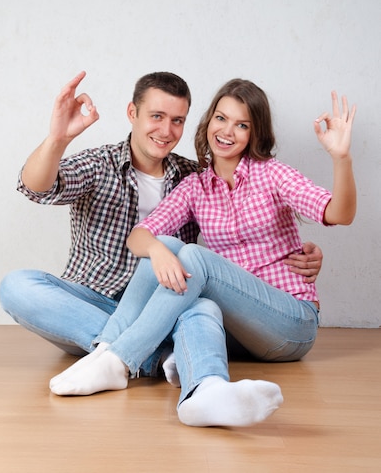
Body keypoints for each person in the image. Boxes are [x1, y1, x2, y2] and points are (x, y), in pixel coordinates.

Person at [49, 79, 356, 428]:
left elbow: (339, 213)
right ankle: (202, 394)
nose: (227, 131)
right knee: (189, 287)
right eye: (221, 119)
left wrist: (341, 158)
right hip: (238, 331)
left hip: (290, 323)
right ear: (208, 121)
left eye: (242, 125)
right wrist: (159, 251)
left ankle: (117, 358)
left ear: (255, 133)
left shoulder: (272, 174)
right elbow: (139, 236)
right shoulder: (195, 186)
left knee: (191, 256)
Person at [0, 71, 323, 380]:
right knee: (17, 286)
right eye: (156, 116)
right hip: (92, 301)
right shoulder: (100, 163)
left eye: (177, 120)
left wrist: (292, 255)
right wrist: (58, 138)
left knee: (201, 306)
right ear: (132, 113)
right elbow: (36, 187)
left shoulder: (193, 178)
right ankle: (152, 354)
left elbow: (238, 234)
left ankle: (124, 352)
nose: (166, 131)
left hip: (164, 305)